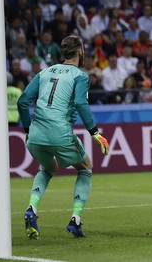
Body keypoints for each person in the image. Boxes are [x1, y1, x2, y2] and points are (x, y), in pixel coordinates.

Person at [17, 35, 110, 239]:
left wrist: (26, 131)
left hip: (36, 134)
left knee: (49, 168)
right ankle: (75, 220)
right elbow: (80, 103)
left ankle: (31, 209)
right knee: (85, 167)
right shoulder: (80, 76)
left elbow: (23, 102)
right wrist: (94, 132)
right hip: (60, 132)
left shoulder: (43, 72)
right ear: (80, 51)